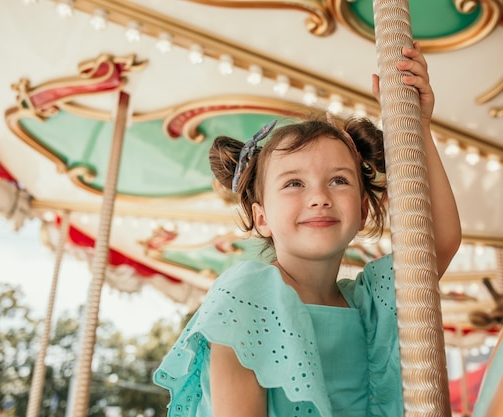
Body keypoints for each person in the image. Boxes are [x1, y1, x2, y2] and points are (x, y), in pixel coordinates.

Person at [153, 42, 461, 417]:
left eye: (339, 181)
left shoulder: (370, 303)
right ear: (261, 218)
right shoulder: (246, 297)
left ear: (363, 211)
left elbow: (440, 242)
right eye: (294, 184)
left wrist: (418, 127)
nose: (319, 197)